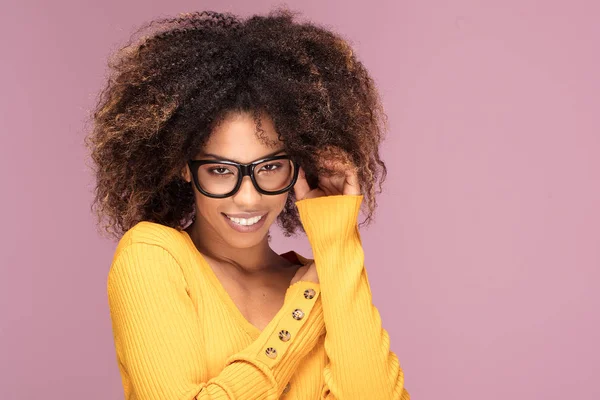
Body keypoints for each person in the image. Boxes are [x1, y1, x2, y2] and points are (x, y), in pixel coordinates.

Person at [85, 8, 410, 400]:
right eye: (221, 170)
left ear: (298, 165)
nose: (249, 197)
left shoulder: (325, 281)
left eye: (270, 166)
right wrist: (302, 310)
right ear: (184, 168)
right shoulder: (153, 257)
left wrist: (336, 238)